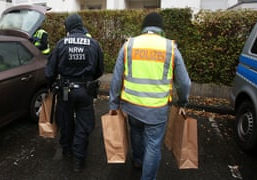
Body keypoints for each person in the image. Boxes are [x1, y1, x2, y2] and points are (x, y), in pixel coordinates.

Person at [109, 12, 191, 180]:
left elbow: (116, 78)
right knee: (153, 146)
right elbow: (184, 83)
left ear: (143, 28)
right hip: (156, 109)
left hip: (132, 105)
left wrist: (113, 104)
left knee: (136, 132)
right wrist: (182, 101)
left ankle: (138, 160)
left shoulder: (129, 45)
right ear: (161, 28)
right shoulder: (170, 48)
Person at [45, 13, 104, 172]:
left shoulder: (61, 44)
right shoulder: (94, 44)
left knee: (65, 120)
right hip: (85, 90)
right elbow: (100, 70)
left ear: (68, 27)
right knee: (84, 125)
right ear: (81, 25)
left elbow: (50, 71)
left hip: (65, 90)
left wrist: (49, 85)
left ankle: (66, 149)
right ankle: (78, 159)